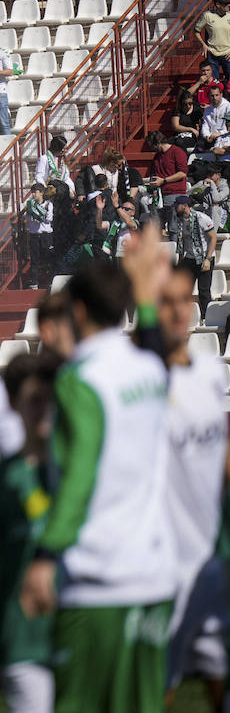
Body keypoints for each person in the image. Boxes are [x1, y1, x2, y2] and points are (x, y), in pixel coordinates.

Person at [18, 256, 178, 713]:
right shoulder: (150, 370)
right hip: (153, 578)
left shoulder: (80, 378)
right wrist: (145, 302)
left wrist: (46, 554)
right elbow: (153, 351)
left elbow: (79, 473)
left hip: (97, 579)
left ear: (80, 311)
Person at [157, 264, 230, 709]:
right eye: (168, 301)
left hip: (213, 561)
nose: (180, 311)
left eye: (186, 300)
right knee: (157, 687)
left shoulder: (210, 376)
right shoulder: (136, 383)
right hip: (160, 565)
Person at [0, 352, 61, 713]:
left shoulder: (79, 472)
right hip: (23, 637)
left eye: (50, 400)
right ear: (13, 405)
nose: (44, 410)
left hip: (77, 627)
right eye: (34, 401)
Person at [169, 193, 216, 313]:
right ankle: (186, 315)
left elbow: (213, 238)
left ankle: (207, 316)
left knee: (204, 290)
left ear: (185, 206)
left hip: (204, 256)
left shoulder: (201, 218)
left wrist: (208, 259)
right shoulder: (179, 220)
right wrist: (180, 260)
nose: (175, 208)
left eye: (177, 206)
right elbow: (182, 241)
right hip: (189, 258)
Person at [195, 0, 230, 84]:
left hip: (228, 54)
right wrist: (203, 45)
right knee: (213, 83)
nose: (229, 5)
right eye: (226, 3)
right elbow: (196, 31)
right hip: (212, 54)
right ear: (218, 5)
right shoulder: (207, 15)